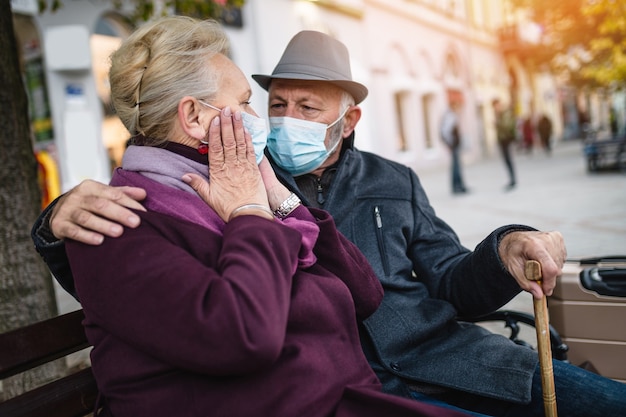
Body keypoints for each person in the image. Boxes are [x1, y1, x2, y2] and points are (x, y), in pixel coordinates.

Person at [32, 29, 626, 417]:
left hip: (448, 360)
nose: (281, 121)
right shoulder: (234, 176)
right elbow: (129, 268)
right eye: (272, 104)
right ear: (196, 116)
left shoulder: (393, 180)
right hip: (353, 386)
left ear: (350, 118)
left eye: (307, 107)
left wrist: (505, 247)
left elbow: (451, 280)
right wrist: (54, 218)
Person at [440, 101, 469, 194]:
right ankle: (457, 187)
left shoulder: (451, 115)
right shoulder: (450, 116)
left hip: (455, 144)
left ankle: (459, 185)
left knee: (457, 166)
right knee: (456, 167)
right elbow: (446, 131)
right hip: (454, 145)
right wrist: (450, 144)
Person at [492, 99, 517, 191]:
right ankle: (511, 179)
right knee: (506, 160)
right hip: (502, 140)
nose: (495, 108)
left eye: (496, 106)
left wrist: (497, 124)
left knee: (508, 160)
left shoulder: (505, 114)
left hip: (506, 139)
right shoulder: (499, 114)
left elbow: (506, 126)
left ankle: (513, 179)